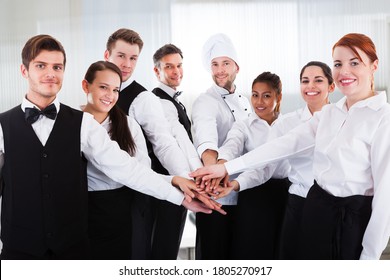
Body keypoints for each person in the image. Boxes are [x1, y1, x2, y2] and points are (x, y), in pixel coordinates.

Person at [0, 34, 221, 260]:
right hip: (17, 249)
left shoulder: (83, 123)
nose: (50, 74)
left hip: (70, 249)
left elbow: (127, 168)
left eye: (57, 67)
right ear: (24, 71)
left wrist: (178, 194)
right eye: (40, 66)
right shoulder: (2, 125)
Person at [190, 33, 390, 260]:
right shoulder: (331, 113)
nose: (344, 71)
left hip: (352, 219)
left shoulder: (383, 118)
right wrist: (225, 168)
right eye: (338, 64)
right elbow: (282, 146)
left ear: (374, 66)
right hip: (316, 212)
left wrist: (370, 258)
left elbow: (386, 198)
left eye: (354, 63)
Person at [104, 28, 196, 259]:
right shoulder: (97, 92)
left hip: (133, 195)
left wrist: (185, 180)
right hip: (100, 198)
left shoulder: (143, 98)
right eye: (121, 56)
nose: (126, 64)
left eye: (133, 58)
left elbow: (164, 143)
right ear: (107, 55)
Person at [213, 72, 291, 259]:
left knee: (282, 250)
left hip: (284, 194)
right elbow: (231, 146)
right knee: (250, 248)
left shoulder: (290, 125)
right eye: (255, 95)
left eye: (266, 95)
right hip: (252, 194)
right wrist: (222, 165)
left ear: (278, 97)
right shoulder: (244, 125)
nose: (259, 101)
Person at [191, 33, 252, 259]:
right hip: (216, 196)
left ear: (237, 66)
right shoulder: (205, 101)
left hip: (242, 190)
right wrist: (213, 175)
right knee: (214, 256)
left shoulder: (245, 101)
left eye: (225, 63)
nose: (219, 70)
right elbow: (206, 143)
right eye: (215, 65)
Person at [274, 61, 334, 259]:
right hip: (299, 202)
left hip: (333, 206)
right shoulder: (287, 122)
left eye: (318, 80)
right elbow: (267, 158)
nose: (310, 86)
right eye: (305, 81)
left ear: (331, 86)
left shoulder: (345, 120)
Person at [150, 44, 203, 259]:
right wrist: (195, 179)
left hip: (178, 185)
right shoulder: (160, 101)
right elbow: (175, 146)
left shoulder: (173, 99)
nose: (176, 71)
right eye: (169, 67)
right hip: (170, 186)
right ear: (157, 71)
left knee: (167, 247)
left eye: (179, 65)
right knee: (164, 249)